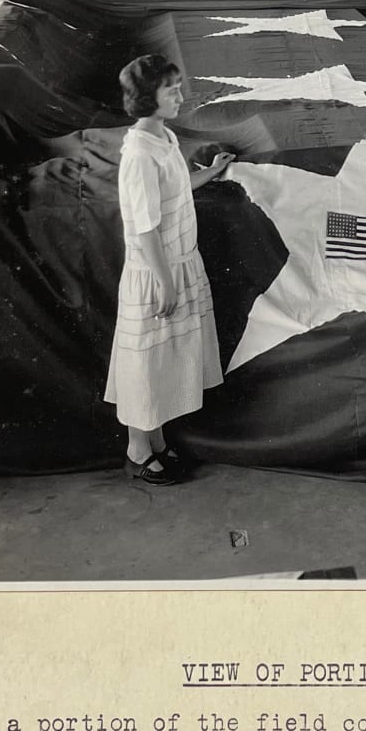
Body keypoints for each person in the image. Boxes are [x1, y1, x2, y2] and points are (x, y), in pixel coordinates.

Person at [105, 55, 233, 486]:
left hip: (179, 262)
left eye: (179, 87)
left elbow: (173, 192)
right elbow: (144, 227)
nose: (180, 96)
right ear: (147, 98)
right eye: (171, 90)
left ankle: (156, 441)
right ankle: (137, 451)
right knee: (146, 365)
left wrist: (211, 174)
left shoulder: (164, 138)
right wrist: (164, 281)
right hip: (156, 271)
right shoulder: (139, 153)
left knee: (161, 364)